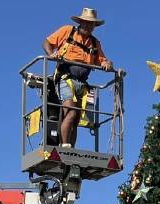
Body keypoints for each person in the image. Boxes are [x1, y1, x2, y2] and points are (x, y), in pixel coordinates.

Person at [42, 8, 113, 148]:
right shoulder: (68, 31)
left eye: (91, 24)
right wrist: (51, 54)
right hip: (65, 77)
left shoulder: (95, 43)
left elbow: (103, 60)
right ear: (81, 22)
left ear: (94, 26)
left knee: (76, 118)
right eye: (86, 22)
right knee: (71, 111)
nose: (88, 26)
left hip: (82, 83)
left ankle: (70, 148)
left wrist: (107, 64)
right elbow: (46, 42)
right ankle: (65, 145)